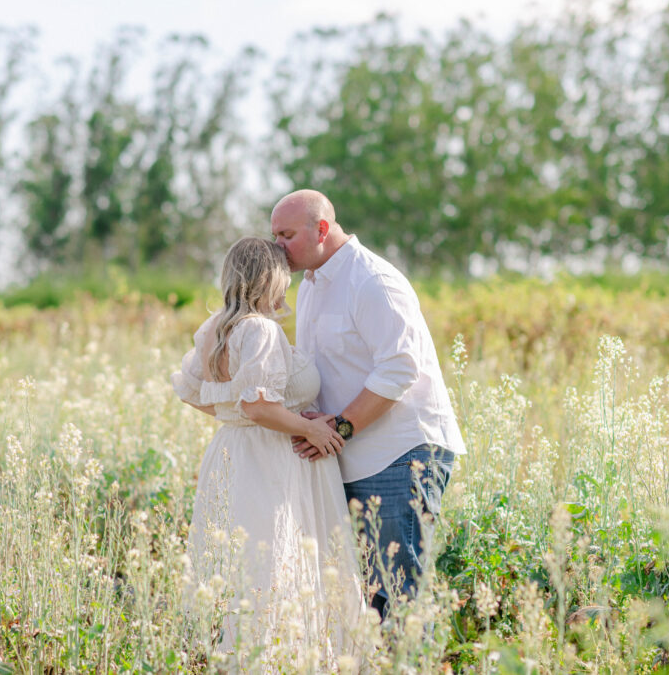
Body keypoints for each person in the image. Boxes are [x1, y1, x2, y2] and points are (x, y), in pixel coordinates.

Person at [271, 189, 466, 619]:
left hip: (399, 456)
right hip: (349, 455)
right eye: (274, 235)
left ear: (321, 229)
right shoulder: (311, 287)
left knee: (402, 595)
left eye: (286, 235)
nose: (277, 246)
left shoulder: (372, 280)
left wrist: (338, 429)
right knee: (368, 599)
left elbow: (398, 369)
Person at [171, 237, 364, 670]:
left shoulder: (216, 326)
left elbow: (192, 391)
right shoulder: (259, 328)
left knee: (247, 561)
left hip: (233, 452)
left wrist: (235, 417)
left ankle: (248, 658)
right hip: (269, 457)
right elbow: (259, 405)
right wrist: (307, 427)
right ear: (271, 278)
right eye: (285, 278)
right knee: (273, 558)